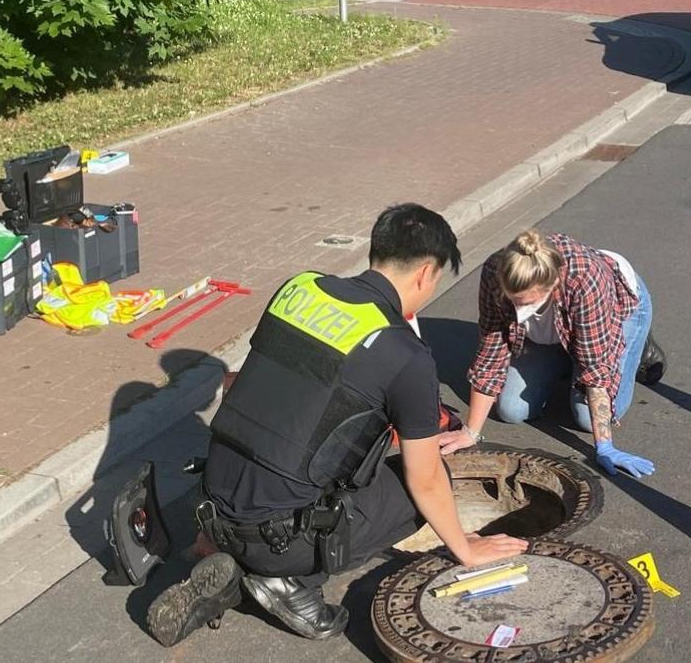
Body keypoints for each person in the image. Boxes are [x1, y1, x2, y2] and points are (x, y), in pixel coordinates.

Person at [147, 204, 528, 647]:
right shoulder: (405, 353)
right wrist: (465, 548)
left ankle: (226, 555)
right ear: (426, 273)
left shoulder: (299, 289)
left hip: (212, 505)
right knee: (426, 479)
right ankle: (288, 580)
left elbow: (248, 388)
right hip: (280, 538)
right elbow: (423, 479)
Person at [440, 229, 666, 478]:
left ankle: (636, 344)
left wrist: (604, 446)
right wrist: (470, 432)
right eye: (513, 300)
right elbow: (491, 354)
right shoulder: (495, 271)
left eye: (527, 303)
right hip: (552, 325)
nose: (517, 310)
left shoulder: (586, 279)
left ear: (553, 284)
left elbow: (596, 369)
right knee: (512, 410)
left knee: (586, 419)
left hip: (616, 306)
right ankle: (569, 352)